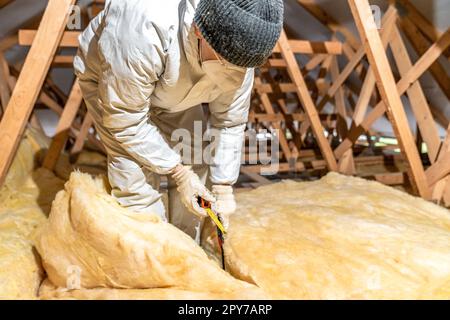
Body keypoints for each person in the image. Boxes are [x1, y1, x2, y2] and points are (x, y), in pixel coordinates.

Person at [74, 0, 284, 242]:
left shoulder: (240, 53)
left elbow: (229, 123)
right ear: (198, 29)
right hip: (119, 87)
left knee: (195, 161)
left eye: (244, 67)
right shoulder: (145, 23)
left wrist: (223, 187)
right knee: (139, 185)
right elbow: (127, 121)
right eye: (226, 62)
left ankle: (187, 255)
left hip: (174, 93)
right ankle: (151, 264)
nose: (234, 74)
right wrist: (178, 173)